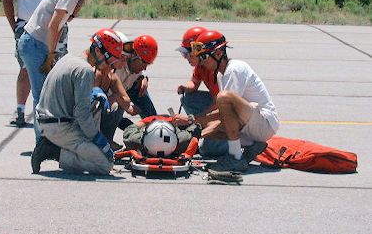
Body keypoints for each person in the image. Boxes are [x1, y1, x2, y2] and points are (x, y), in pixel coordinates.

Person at [18, 0, 108, 142]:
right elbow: (53, 27)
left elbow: (60, 25)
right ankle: (41, 141)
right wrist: (51, 55)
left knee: (43, 92)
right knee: (40, 95)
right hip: (35, 44)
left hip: (36, 43)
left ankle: (44, 138)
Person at [172, 30, 279, 172]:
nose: (202, 62)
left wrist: (190, 120)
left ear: (218, 53)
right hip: (250, 125)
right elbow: (224, 117)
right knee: (204, 139)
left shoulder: (234, 69)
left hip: (264, 124)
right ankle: (252, 146)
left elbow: (225, 109)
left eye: (204, 57)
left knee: (222, 98)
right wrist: (193, 135)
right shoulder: (221, 75)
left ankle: (235, 158)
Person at [31, 28, 123, 175]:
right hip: (58, 127)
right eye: (110, 59)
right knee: (104, 164)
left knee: (96, 102)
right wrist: (98, 139)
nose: (111, 66)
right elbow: (81, 113)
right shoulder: (85, 71)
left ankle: (58, 145)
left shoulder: (69, 58)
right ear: (98, 52)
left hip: (47, 121)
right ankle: (54, 151)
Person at [2, 0, 73, 127]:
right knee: (26, 69)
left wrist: (70, 16)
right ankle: (19, 111)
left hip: (56, 28)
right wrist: (15, 26)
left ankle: (56, 112)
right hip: (27, 27)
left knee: (56, 70)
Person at [176, 26, 228, 157]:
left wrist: (192, 120)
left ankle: (234, 141)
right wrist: (185, 87)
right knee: (187, 98)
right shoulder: (201, 66)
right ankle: (205, 126)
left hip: (225, 111)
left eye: (187, 53)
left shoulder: (214, 69)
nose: (185, 58)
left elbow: (219, 105)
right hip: (217, 104)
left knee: (206, 149)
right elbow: (194, 83)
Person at [100, 33, 158, 149]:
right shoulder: (117, 67)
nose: (145, 68)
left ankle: (154, 130)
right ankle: (106, 140)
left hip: (123, 94)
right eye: (144, 64)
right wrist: (126, 105)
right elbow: (107, 99)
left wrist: (143, 78)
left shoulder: (135, 66)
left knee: (141, 91)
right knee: (118, 105)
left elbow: (139, 75)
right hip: (106, 106)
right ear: (133, 57)